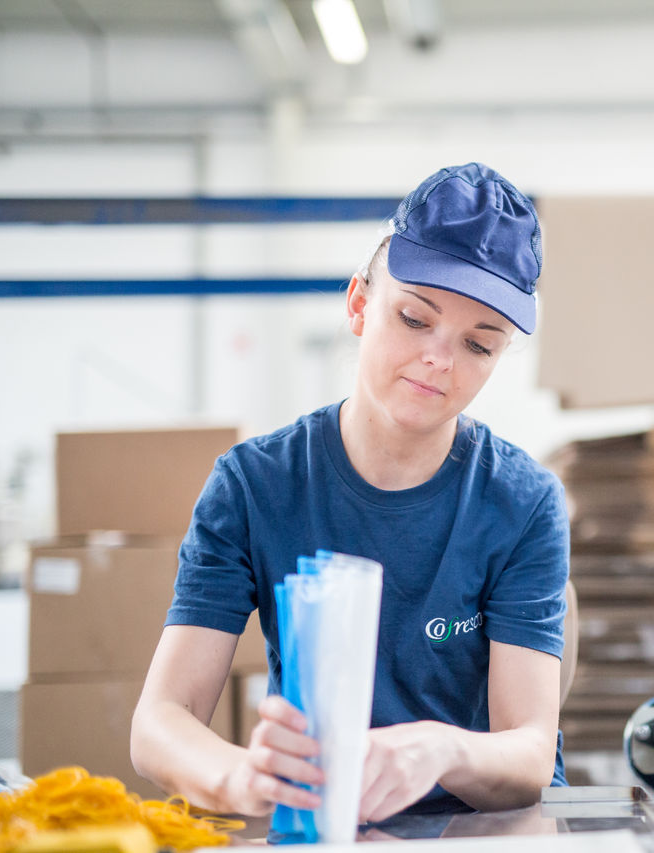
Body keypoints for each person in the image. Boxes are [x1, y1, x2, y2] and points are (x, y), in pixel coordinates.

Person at [130, 162, 570, 824]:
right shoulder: (256, 485)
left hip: (477, 830)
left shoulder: (521, 503)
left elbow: (530, 753)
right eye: (414, 318)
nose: (440, 359)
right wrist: (240, 778)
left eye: (479, 345)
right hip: (323, 823)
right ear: (360, 305)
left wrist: (439, 749)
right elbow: (162, 719)